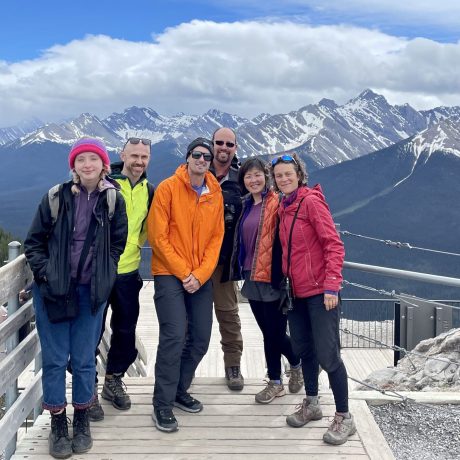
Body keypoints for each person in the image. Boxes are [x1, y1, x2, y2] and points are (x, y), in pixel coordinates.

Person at [24, 138, 127, 458]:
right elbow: (34, 243)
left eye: (93, 159)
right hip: (53, 293)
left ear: (103, 165)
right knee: (55, 360)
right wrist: (45, 275)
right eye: (81, 159)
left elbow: (117, 245)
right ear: (73, 165)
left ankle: (82, 417)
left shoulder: (113, 200)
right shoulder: (55, 198)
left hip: (89, 293)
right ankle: (58, 421)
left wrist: (105, 275)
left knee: (83, 360)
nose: (87, 165)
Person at [270, 153, 356, 445]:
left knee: (328, 355)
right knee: (304, 349)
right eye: (279, 175)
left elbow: (333, 244)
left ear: (299, 174)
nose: (284, 179)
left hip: (321, 293)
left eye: (288, 174)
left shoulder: (310, 202)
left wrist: (332, 285)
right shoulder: (284, 206)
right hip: (296, 293)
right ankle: (312, 403)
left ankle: (345, 416)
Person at [147, 137, 224, 433]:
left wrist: (201, 274)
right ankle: (162, 403)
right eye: (197, 154)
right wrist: (184, 273)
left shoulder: (214, 193)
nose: (202, 160)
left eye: (207, 156)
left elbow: (216, 237)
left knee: (201, 337)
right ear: (188, 157)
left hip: (200, 275)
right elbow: (157, 236)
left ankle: (179, 388)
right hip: (169, 273)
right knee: (175, 335)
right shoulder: (168, 188)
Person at [88, 137, 154, 420]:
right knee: (91, 332)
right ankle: (86, 387)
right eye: (134, 156)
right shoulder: (106, 185)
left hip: (129, 273)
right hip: (99, 272)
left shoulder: (148, 190)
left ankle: (113, 380)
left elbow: (143, 229)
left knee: (125, 331)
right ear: (122, 155)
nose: (139, 162)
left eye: (144, 157)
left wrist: (137, 249)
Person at [230, 158, 303, 404]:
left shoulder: (279, 202)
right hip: (251, 276)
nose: (253, 180)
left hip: (273, 279)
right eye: (248, 176)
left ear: (266, 177)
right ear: (243, 181)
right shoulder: (245, 205)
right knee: (269, 332)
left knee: (273, 334)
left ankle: (275, 381)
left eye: (257, 175)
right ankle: (297, 362)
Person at [210, 127, 244, 390]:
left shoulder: (242, 176)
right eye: (219, 143)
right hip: (196, 260)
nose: (223, 148)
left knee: (229, 315)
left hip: (225, 261)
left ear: (235, 147)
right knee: (189, 320)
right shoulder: (196, 168)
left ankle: (233, 365)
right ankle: (182, 368)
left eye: (229, 144)